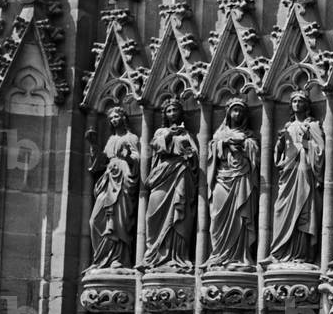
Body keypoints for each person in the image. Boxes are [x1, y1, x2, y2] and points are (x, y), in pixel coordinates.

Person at [269, 91, 325, 265]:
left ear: (306, 105)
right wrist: (280, 143)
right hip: (288, 172)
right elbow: (278, 155)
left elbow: (320, 151)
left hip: (303, 172)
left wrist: (306, 144)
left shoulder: (312, 125)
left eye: (301, 101)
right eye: (294, 101)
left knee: (302, 209)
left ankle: (301, 253)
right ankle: (281, 251)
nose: (297, 104)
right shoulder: (288, 127)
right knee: (282, 208)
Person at [144, 97, 198, 270]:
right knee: (153, 213)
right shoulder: (161, 132)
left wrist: (190, 155)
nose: (172, 113)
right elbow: (157, 147)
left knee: (179, 211)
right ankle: (155, 255)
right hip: (162, 175)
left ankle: (176, 255)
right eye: (169, 111)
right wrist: (170, 134)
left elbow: (195, 157)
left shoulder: (186, 134)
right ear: (165, 115)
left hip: (181, 173)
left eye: (175, 110)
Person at [206, 96, 260, 269]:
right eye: (234, 110)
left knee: (241, 216)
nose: (237, 114)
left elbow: (256, 155)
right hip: (222, 178)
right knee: (217, 216)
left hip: (242, 178)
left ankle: (240, 256)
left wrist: (246, 145)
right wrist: (224, 143)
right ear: (228, 113)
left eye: (240, 111)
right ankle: (219, 254)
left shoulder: (249, 135)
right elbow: (210, 154)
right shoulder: (219, 135)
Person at [87, 106, 140, 269]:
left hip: (123, 179)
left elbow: (138, 158)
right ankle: (102, 258)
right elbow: (100, 163)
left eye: (116, 116)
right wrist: (94, 145)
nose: (113, 120)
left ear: (123, 118)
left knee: (118, 220)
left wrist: (128, 158)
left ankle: (119, 257)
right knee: (95, 220)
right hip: (108, 180)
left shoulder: (131, 137)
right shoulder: (110, 140)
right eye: (111, 118)